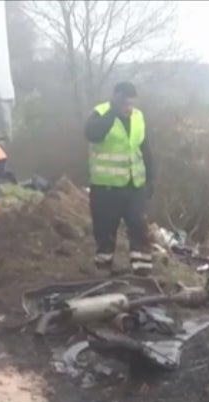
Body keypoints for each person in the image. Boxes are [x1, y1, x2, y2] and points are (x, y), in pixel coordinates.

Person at [84, 81, 154, 276]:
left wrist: (150, 180)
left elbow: (145, 150)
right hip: (106, 188)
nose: (129, 109)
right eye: (125, 104)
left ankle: (142, 273)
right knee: (105, 231)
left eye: (132, 104)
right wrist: (113, 112)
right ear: (116, 100)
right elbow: (93, 134)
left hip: (134, 186)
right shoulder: (100, 113)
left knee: (139, 226)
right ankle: (103, 271)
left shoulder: (139, 117)